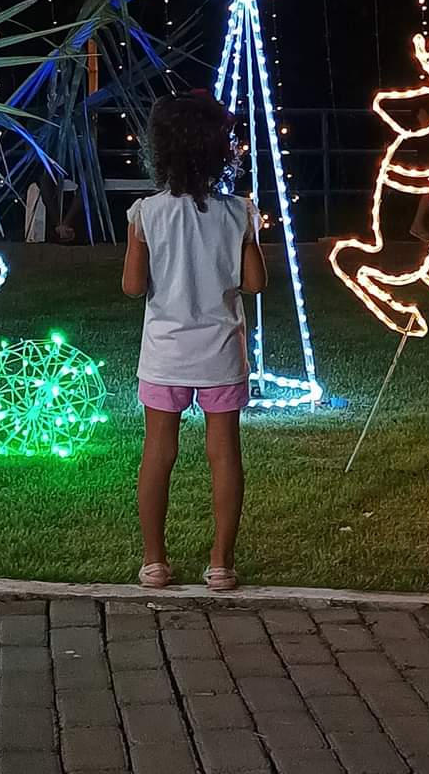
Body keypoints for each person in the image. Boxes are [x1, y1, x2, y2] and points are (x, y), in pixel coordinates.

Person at [122, 90, 266, 592]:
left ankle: (154, 561)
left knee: (158, 452)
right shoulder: (239, 213)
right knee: (224, 454)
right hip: (221, 353)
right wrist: (249, 238)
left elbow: (134, 287)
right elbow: (254, 283)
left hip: (164, 354)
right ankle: (221, 562)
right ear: (219, 150)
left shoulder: (146, 213)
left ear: (159, 150)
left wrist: (139, 243)